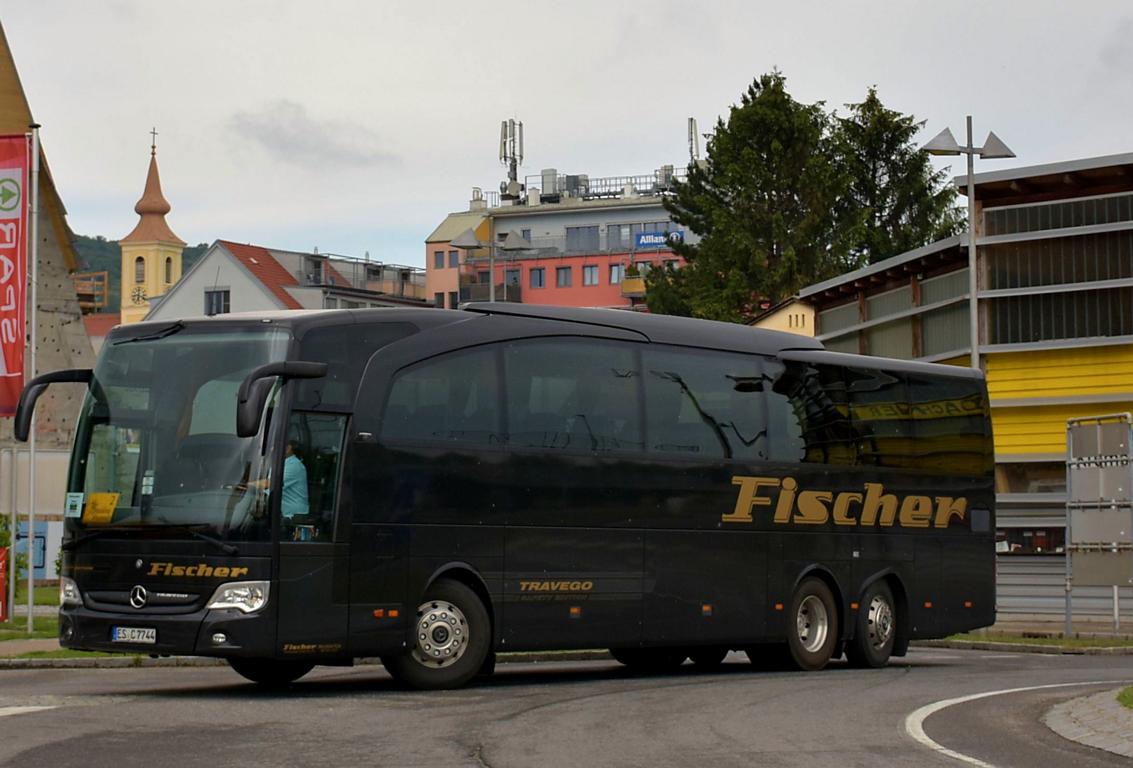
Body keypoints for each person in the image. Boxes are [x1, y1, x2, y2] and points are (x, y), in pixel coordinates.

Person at [280, 440, 309, 518]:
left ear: (288, 448)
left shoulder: (294, 465)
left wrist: (249, 484)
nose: (272, 449)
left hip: (294, 518)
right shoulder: (281, 463)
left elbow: (271, 484)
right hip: (283, 514)